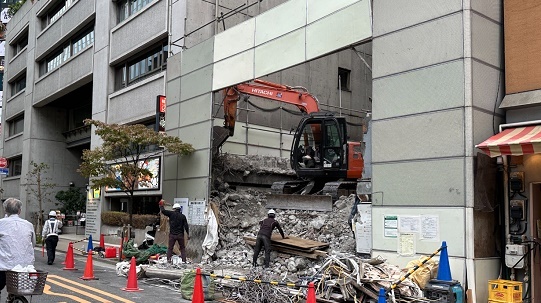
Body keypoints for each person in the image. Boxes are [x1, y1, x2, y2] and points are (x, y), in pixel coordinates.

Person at [0, 198, 36, 297]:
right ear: (19, 210)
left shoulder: (1, 223)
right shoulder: (29, 225)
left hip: (4, 267)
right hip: (25, 268)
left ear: (5, 210)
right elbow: (33, 244)